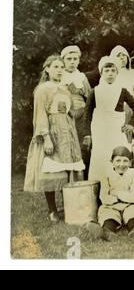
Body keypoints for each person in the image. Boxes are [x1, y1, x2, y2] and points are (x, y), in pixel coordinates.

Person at [24, 55, 85, 222]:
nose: (59, 70)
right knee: (51, 172)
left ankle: (68, 207)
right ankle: (52, 210)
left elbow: (71, 112)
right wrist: (47, 138)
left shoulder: (65, 89)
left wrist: (82, 109)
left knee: (67, 172)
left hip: (67, 132)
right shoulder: (42, 90)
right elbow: (40, 115)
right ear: (48, 69)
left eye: (61, 68)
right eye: (56, 67)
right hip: (52, 132)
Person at [83, 56, 134, 182]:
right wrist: (87, 134)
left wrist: (131, 124)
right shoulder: (95, 92)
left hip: (116, 131)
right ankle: (99, 189)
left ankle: (120, 185)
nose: (110, 74)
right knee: (100, 158)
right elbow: (87, 114)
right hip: (100, 131)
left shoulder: (122, 91)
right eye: (106, 71)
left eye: (113, 71)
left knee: (118, 156)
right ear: (101, 73)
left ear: (117, 73)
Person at [86, 146, 134, 240]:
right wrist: (123, 197)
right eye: (118, 161)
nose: (121, 164)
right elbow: (104, 197)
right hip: (111, 206)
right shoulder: (106, 174)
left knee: (132, 214)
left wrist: (117, 194)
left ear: (130, 162)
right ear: (112, 162)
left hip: (130, 205)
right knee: (108, 215)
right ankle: (106, 232)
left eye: (125, 161)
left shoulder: (133, 174)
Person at [60, 45, 92, 178]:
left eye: (75, 59)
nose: (72, 62)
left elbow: (90, 97)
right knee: (66, 148)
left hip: (82, 116)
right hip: (63, 115)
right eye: (69, 59)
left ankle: (84, 182)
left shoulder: (82, 77)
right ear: (63, 60)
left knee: (83, 148)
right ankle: (68, 184)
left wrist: (83, 110)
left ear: (79, 61)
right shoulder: (59, 75)